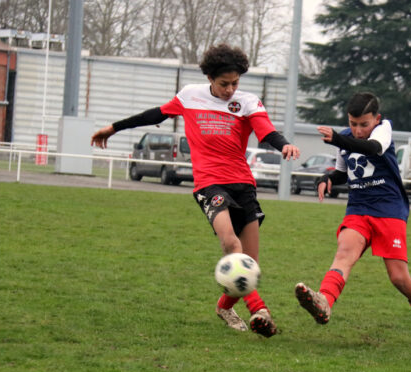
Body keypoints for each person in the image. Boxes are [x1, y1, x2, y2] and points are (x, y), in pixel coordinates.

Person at [90, 44, 300, 338]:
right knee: (231, 245)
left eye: (235, 83)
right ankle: (260, 311)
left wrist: (284, 144)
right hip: (209, 184)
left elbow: (266, 130)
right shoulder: (190, 95)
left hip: (242, 184)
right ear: (210, 79)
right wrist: (113, 128)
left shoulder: (249, 101)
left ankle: (224, 306)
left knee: (249, 264)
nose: (230, 89)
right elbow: (155, 115)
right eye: (224, 83)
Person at [293, 92, 411, 352]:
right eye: (353, 124)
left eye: (363, 124)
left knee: (399, 279)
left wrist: (339, 138)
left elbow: (372, 149)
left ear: (376, 119)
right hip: (358, 208)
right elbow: (342, 172)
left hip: (389, 209)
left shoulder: (384, 130)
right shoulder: (345, 138)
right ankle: (323, 301)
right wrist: (326, 179)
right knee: (344, 253)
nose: (357, 130)